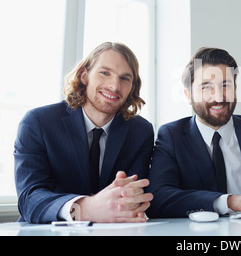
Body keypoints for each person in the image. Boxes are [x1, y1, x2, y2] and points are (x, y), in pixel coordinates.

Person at [146, 47, 241, 218]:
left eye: (225, 85)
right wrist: (231, 202)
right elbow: (157, 199)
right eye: (206, 87)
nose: (218, 96)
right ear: (188, 95)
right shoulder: (172, 136)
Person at [14, 42, 154, 224]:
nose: (114, 85)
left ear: (132, 88)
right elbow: (29, 199)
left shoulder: (140, 131)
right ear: (84, 76)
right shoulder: (38, 122)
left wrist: (129, 198)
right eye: (105, 73)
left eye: (125, 78)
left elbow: (133, 198)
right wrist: (85, 208)